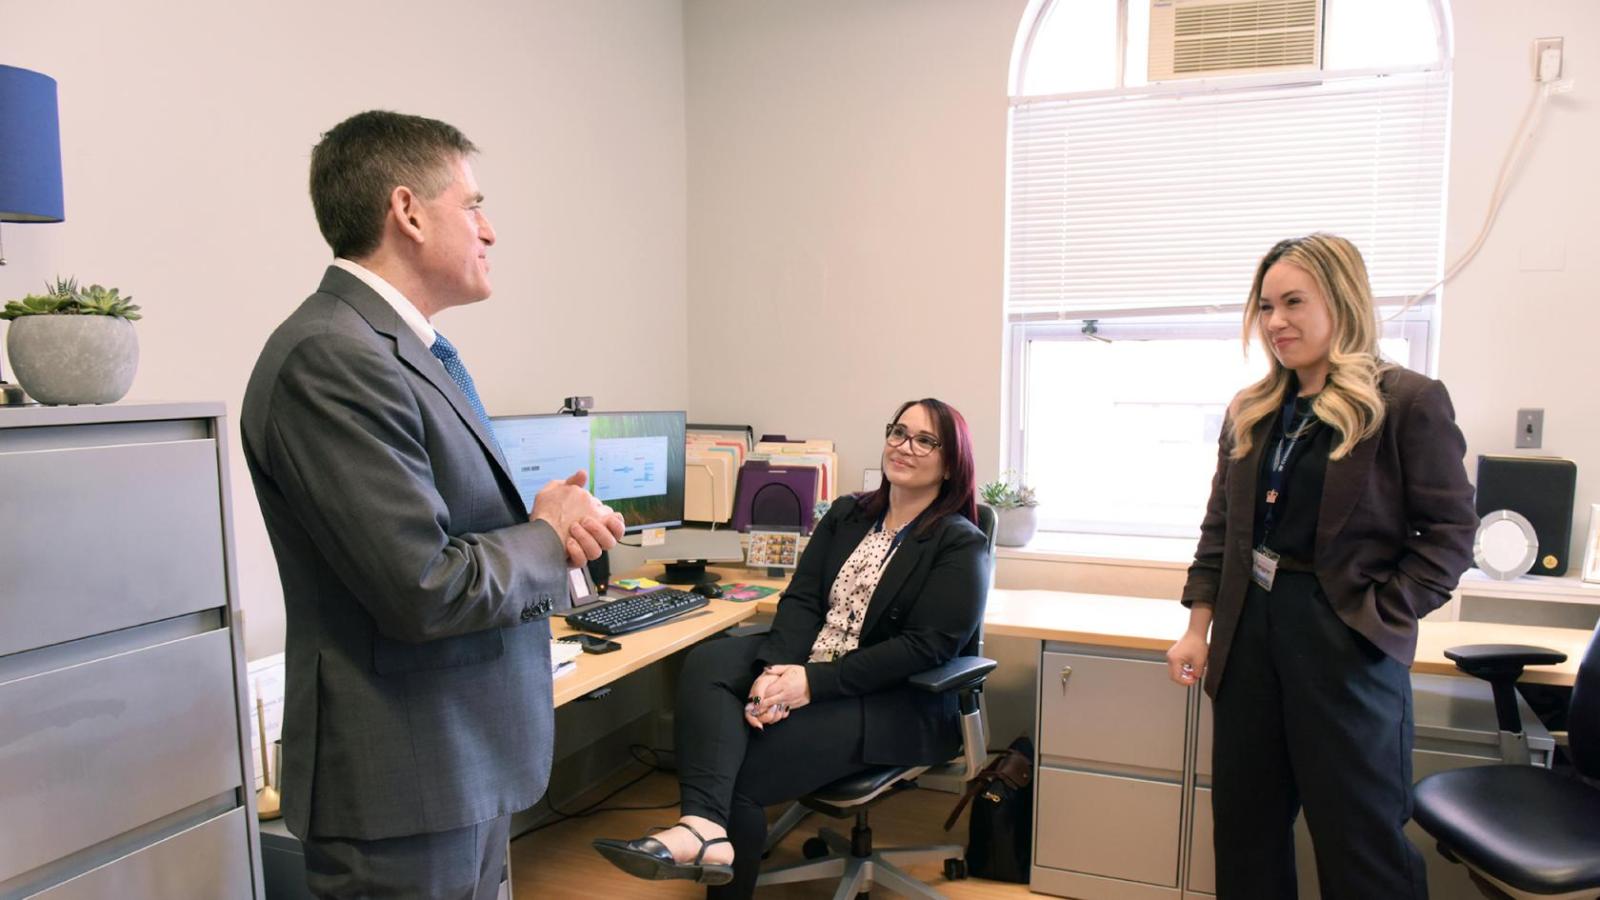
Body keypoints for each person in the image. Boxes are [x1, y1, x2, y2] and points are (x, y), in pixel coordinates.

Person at [241, 110, 624, 899]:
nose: (490, 231)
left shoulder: (406, 352)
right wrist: (545, 533)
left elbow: (458, 536)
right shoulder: (332, 358)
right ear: (409, 212)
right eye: (474, 205)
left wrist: (551, 527)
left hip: (457, 761)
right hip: (403, 780)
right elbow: (424, 584)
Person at [1165, 233, 1478, 899]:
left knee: (1360, 844)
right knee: (1245, 836)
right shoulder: (1252, 411)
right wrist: (1199, 627)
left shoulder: (1406, 402)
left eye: (1294, 303)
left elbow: (1450, 537)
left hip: (1344, 642)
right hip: (1248, 638)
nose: (1276, 322)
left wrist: (1376, 615)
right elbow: (1221, 529)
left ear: (1340, 299)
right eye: (1267, 306)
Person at [593, 398, 990, 897]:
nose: (904, 447)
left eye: (924, 440)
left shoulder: (960, 543)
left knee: (739, 770)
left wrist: (809, 684)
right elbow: (802, 599)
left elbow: (923, 648)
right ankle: (706, 829)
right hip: (812, 662)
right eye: (897, 432)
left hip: (892, 699)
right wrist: (776, 670)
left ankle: (710, 844)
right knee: (710, 659)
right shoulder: (848, 513)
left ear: (951, 462)